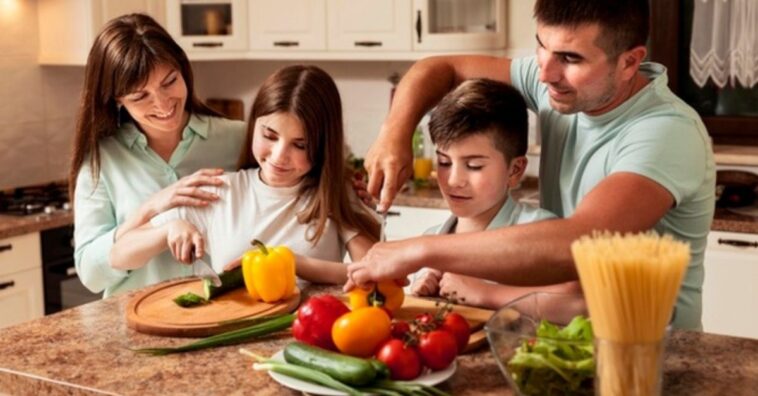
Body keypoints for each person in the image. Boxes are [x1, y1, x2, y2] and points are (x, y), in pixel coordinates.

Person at [347, 0, 715, 330]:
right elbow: (440, 67)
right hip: (571, 339)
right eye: (542, 46)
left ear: (629, 62)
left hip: (654, 351)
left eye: (570, 58)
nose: (545, 75)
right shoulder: (560, 86)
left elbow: (580, 244)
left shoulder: (665, 131)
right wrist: (394, 132)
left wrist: (419, 249)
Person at [111, 65, 380, 286]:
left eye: (300, 145)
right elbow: (119, 255)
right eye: (269, 136)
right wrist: (169, 229)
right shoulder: (220, 190)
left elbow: (376, 273)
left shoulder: (335, 193)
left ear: (323, 146)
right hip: (234, 341)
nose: (278, 156)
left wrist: (294, 263)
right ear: (253, 126)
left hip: (311, 337)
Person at [71, 14, 246, 297]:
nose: (163, 103)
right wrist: (152, 210)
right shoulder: (103, 160)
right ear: (117, 100)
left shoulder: (238, 139)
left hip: (227, 316)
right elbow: (91, 273)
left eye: (170, 81)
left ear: (183, 69)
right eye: (140, 96)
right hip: (136, 325)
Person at [409, 79, 581, 309]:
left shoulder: (538, 230)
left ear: (515, 170)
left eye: (474, 166)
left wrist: (486, 292)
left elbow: (577, 301)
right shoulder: (430, 240)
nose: (453, 180)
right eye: (444, 162)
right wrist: (422, 291)